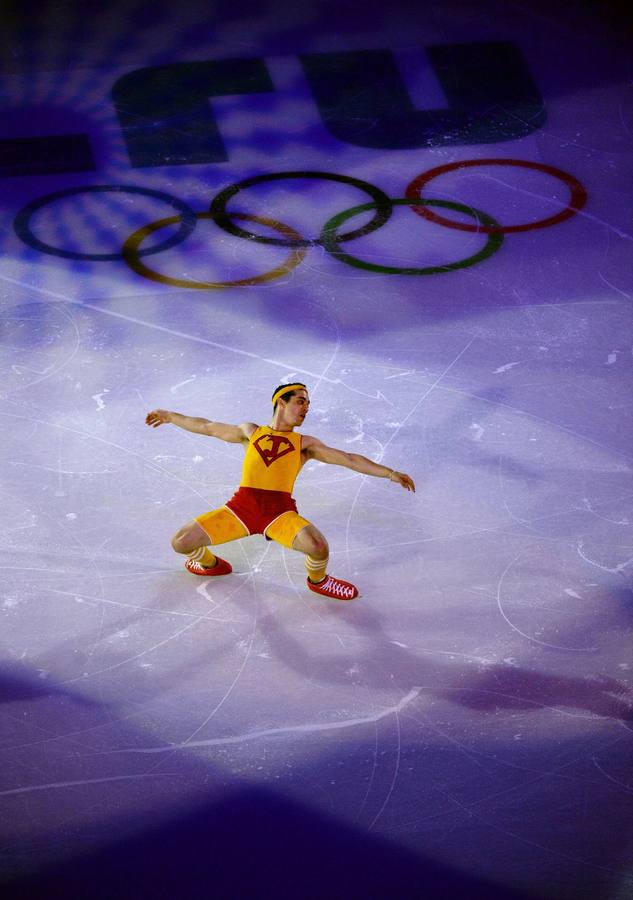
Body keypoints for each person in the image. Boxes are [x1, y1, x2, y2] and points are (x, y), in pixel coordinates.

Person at [145, 383, 415, 601]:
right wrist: (170, 416)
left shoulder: (304, 444)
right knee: (181, 541)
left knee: (318, 547)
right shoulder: (250, 432)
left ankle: (318, 581)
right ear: (281, 402)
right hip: (240, 510)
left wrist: (390, 473)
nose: (306, 408)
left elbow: (348, 458)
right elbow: (206, 426)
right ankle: (211, 565)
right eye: (301, 401)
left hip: (279, 513)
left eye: (308, 403)